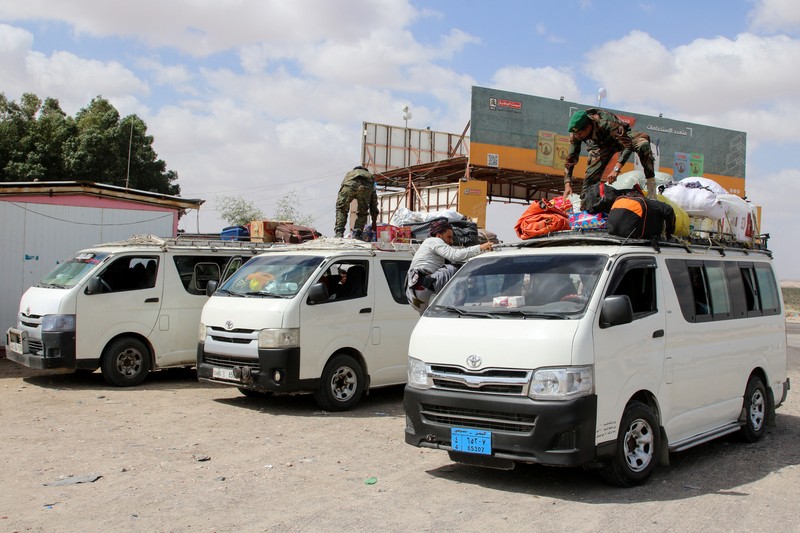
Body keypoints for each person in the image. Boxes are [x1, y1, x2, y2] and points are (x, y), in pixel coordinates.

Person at [563, 108, 657, 201]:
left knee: (643, 143)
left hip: (620, 140)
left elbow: (627, 145)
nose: (578, 136)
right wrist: (567, 184)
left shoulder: (606, 121)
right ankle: (586, 204)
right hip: (600, 147)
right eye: (576, 134)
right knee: (589, 183)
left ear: (588, 127)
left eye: (580, 133)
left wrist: (616, 169)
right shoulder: (575, 133)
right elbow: (571, 159)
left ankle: (651, 186)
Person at [406, 219, 493, 314]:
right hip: (423, 285)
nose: (451, 241)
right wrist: (480, 248)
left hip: (414, 295)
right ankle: (457, 309)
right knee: (457, 269)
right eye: (449, 237)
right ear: (439, 235)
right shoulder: (434, 241)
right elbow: (455, 255)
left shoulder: (427, 245)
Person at [334, 165, 379, 239]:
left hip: (349, 186)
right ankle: (357, 233)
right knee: (363, 211)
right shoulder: (370, 176)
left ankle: (339, 232)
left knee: (341, 209)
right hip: (365, 187)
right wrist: (374, 220)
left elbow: (342, 191)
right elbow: (373, 202)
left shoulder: (349, 174)